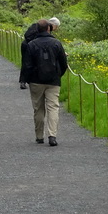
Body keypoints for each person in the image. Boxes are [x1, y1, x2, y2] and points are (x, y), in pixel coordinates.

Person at [21, 18, 68, 146]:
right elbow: (64, 63)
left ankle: (39, 136)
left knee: (38, 108)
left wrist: (25, 80)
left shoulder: (32, 44)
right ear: (49, 28)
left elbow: (27, 64)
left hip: (36, 81)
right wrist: (58, 74)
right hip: (53, 81)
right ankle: (52, 135)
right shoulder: (56, 43)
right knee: (53, 107)